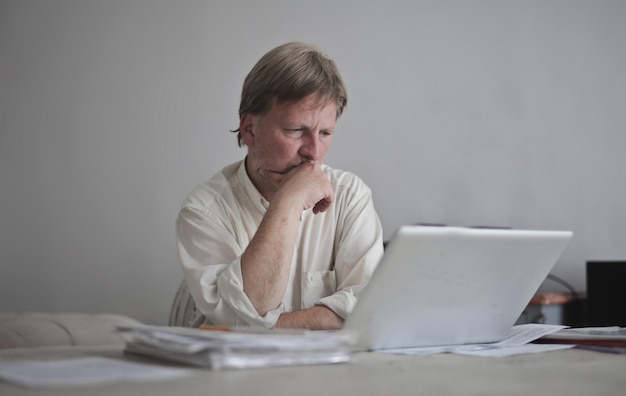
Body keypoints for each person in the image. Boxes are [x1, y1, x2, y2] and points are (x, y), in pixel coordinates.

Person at [176, 42, 384, 330]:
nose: (314, 152)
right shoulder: (204, 211)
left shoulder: (350, 196)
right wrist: (288, 200)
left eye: (324, 133)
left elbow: (370, 310)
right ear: (250, 129)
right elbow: (246, 310)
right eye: (296, 130)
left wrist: (264, 328)